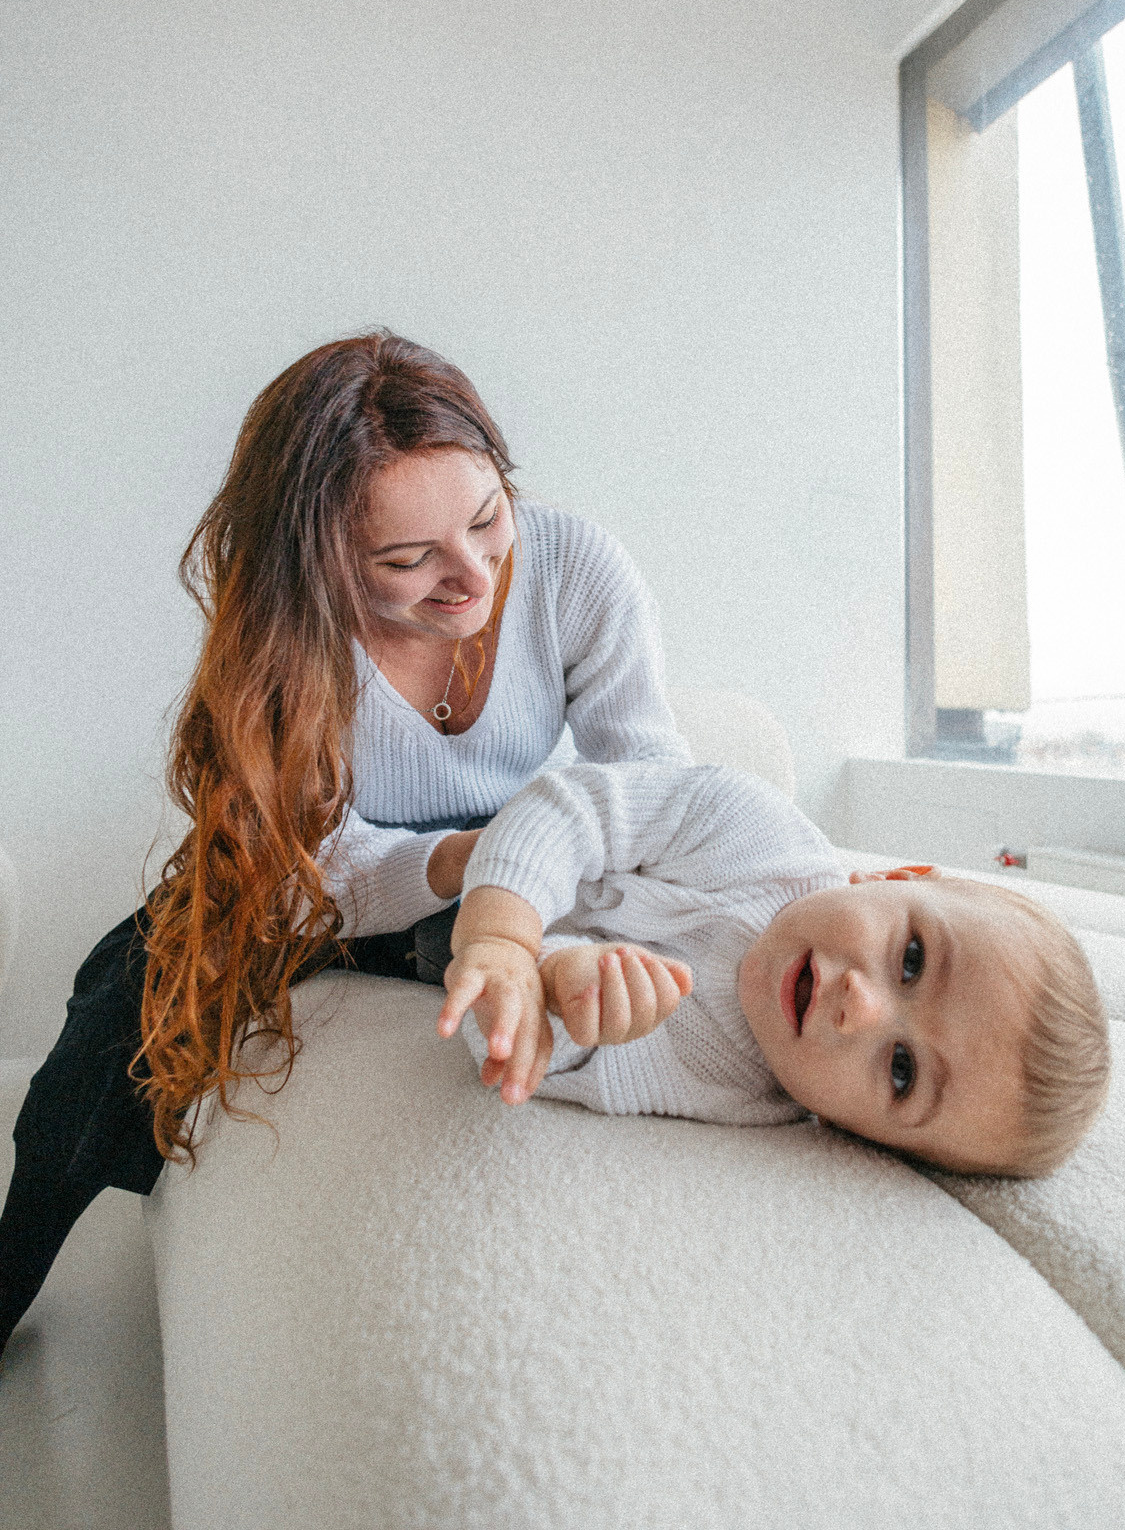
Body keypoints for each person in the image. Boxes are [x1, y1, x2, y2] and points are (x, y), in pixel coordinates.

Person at [0, 332, 689, 1354]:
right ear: (320, 560)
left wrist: (524, 865)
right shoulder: (289, 636)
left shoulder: (575, 566)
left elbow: (652, 786)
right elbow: (302, 877)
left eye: (487, 520)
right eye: (406, 561)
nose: (468, 580)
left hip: (503, 870)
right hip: (310, 881)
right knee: (119, 1006)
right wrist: (463, 860)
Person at [436, 761, 1111, 1175]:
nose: (860, 1007)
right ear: (892, 875)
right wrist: (503, 934)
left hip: (408, 951)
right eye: (911, 960)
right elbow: (573, 807)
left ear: (857, 1136)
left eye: (902, 1071)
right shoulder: (754, 829)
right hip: (473, 817)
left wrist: (558, 999)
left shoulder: (737, 1092)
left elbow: (511, 1056)